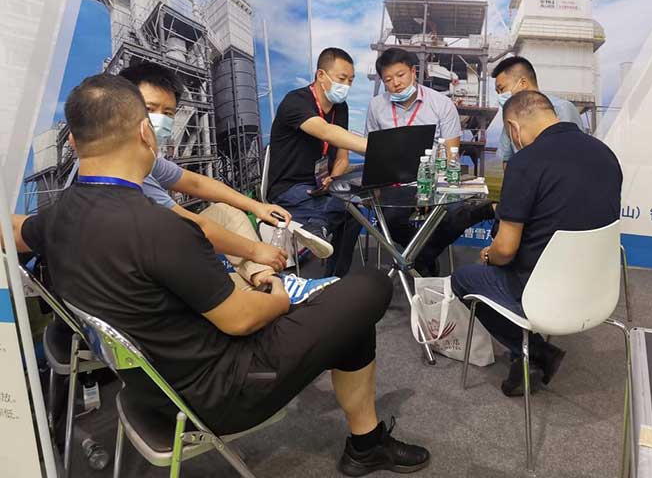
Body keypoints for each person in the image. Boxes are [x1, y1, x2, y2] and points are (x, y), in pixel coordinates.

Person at [9, 74, 430, 476]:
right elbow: (241, 319)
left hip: (148, 388)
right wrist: (282, 294)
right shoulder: (162, 228)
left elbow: (12, 230)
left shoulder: (55, 217)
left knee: (345, 316)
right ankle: (366, 445)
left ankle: (366, 442)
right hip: (221, 391)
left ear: (72, 141)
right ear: (144, 133)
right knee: (370, 285)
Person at [451, 90, 622, 396]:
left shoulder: (526, 162)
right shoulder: (605, 153)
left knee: (462, 279)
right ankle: (528, 355)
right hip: (598, 285)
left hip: (540, 289)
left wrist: (488, 257)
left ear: (513, 128)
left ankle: (536, 351)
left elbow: (505, 251)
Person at [116, 62, 330, 291]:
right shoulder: (125, 167)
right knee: (224, 269)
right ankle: (268, 291)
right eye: (150, 108)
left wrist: (257, 206)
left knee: (224, 213)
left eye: (168, 113)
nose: (159, 119)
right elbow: (188, 225)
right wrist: (255, 250)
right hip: (139, 269)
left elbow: (196, 182)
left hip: (158, 248)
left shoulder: (148, 160)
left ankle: (268, 282)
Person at [364, 48, 494, 275]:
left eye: (400, 75)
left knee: (454, 214)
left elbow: (451, 154)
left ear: (413, 72)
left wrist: (431, 187)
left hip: (434, 180)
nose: (396, 83)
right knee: (390, 219)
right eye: (388, 79)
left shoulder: (441, 104)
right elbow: (371, 148)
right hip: (395, 183)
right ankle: (423, 259)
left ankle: (419, 259)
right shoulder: (377, 106)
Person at [268, 48, 368, 277]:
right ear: (321, 75)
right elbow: (326, 132)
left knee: (356, 210)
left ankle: (334, 276)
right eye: (342, 78)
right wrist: (373, 147)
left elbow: (342, 157)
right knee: (344, 206)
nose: (347, 85)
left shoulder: (341, 108)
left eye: (351, 80)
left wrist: (334, 178)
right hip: (289, 188)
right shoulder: (296, 101)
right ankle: (317, 225)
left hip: (321, 188)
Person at [493, 56, 584, 169]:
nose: (500, 96)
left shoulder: (562, 109)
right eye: (497, 92)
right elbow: (507, 159)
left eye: (502, 89)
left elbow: (573, 155)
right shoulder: (511, 118)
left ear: (523, 83)